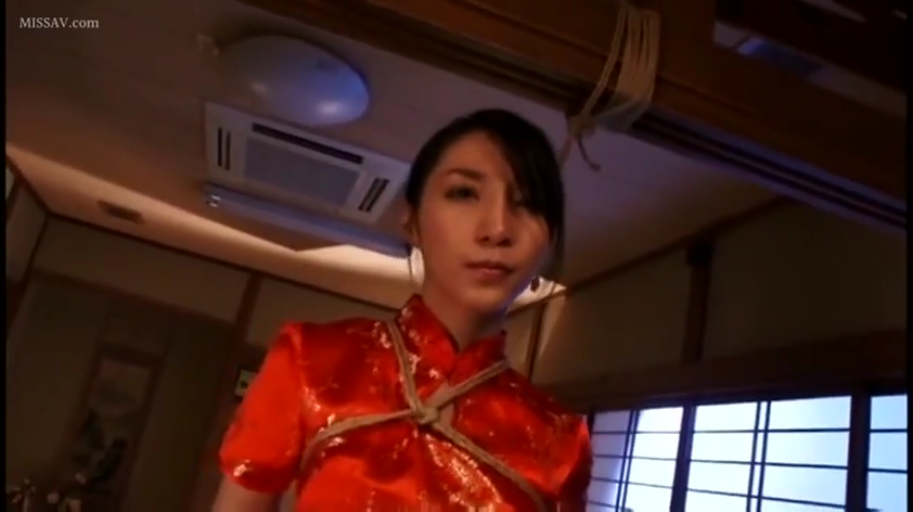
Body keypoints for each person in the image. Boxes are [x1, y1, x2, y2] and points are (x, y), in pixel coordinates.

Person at [213, 109, 592, 511]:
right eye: (464, 193)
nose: (497, 228)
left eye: (529, 203)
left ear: (549, 244)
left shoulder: (561, 439)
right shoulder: (309, 361)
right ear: (412, 221)